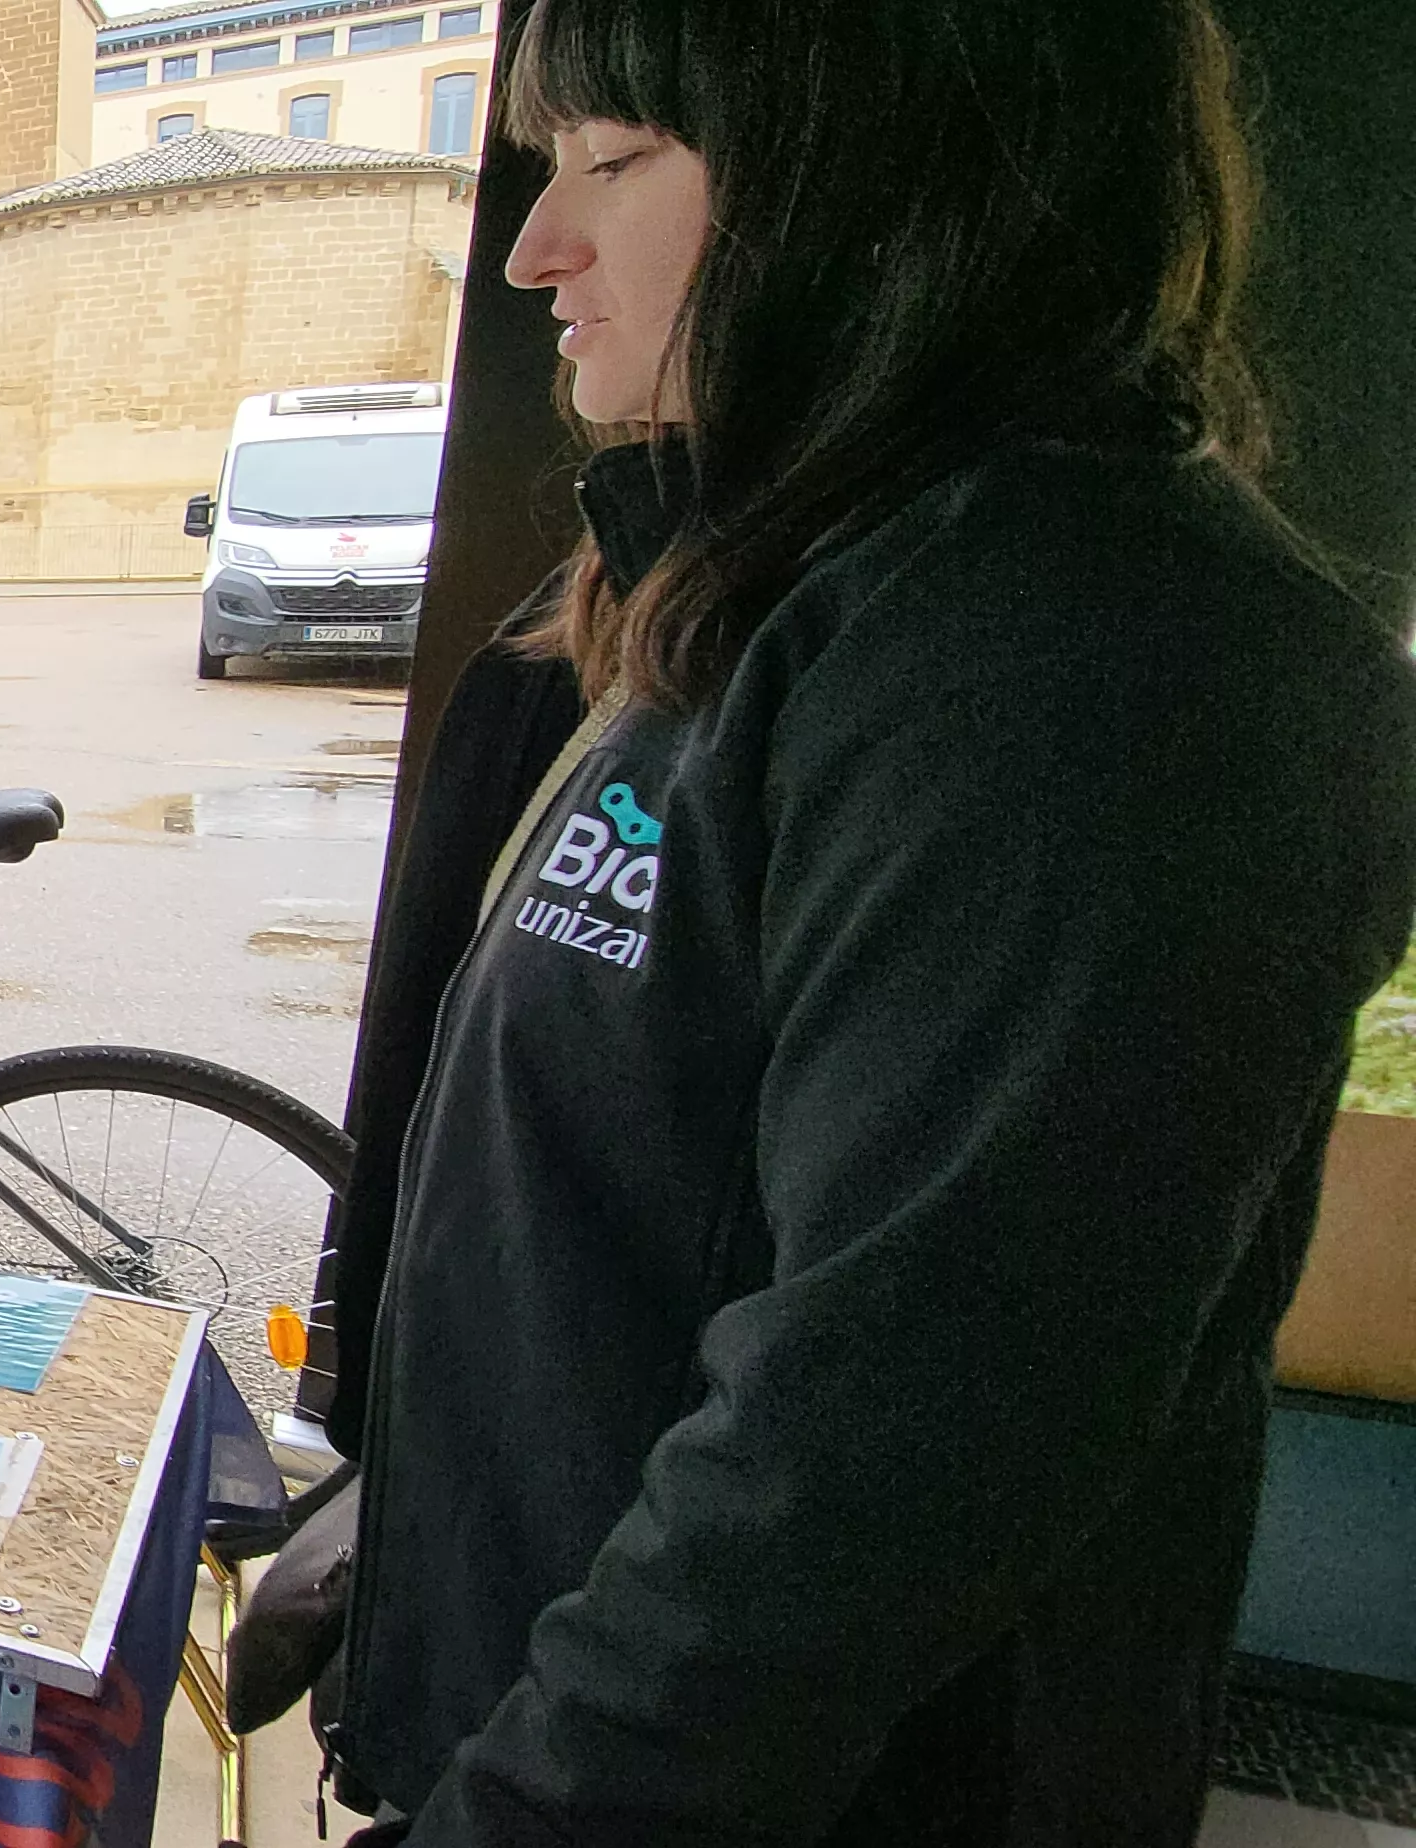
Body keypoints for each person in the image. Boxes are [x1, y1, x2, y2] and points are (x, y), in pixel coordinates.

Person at [319, 0, 1416, 1839]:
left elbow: (873, 1457)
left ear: (871, 177)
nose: (533, 248)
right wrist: (403, 1543)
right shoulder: (766, 573)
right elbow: (618, 1203)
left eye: (617, 161)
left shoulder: (1081, 663)